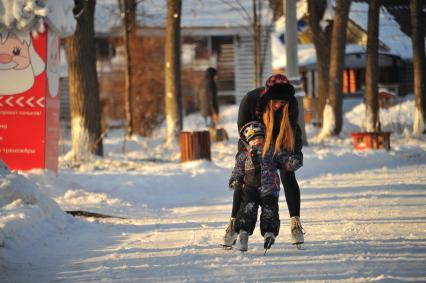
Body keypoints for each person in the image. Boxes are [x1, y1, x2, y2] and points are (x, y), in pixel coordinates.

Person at [221, 74, 305, 249]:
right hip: (253, 138)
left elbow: (293, 131)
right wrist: (251, 149)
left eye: (282, 104)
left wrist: (295, 155)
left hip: (280, 138)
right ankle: (233, 223)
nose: (278, 106)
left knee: (288, 174)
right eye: (275, 102)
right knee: (244, 178)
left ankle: (295, 222)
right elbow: (243, 130)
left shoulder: (291, 104)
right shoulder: (251, 100)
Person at [228, 121, 289, 251]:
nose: (257, 141)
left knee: (270, 210)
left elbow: (284, 160)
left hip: (270, 189)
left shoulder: (271, 151)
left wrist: (292, 161)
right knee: (247, 210)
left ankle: (269, 233)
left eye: (260, 138)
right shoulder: (244, 156)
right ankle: (243, 236)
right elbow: (238, 170)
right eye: (253, 139)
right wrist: (235, 179)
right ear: (248, 142)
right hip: (250, 188)